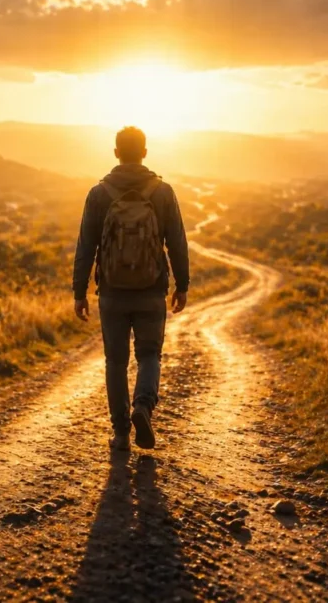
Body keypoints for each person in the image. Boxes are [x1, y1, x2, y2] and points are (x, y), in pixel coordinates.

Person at [72, 126, 190, 452]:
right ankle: (143, 407)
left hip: (111, 292)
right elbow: (177, 242)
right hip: (152, 290)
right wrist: (182, 285)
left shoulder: (99, 194)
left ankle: (122, 434)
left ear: (115, 153)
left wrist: (79, 292)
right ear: (145, 153)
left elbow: (86, 246)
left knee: (116, 361)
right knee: (150, 354)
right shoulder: (162, 192)